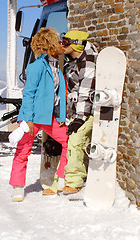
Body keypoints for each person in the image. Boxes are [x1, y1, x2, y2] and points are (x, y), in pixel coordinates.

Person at [8, 27, 68, 202]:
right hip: (32, 118)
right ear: (49, 44)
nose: (60, 44)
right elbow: (28, 94)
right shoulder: (35, 67)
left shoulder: (56, 65)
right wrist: (28, 120)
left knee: (68, 141)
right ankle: (18, 188)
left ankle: (61, 177)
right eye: (57, 41)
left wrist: (61, 118)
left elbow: (59, 96)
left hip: (50, 117)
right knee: (22, 151)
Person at [61, 30, 98, 195]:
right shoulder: (73, 60)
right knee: (71, 141)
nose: (63, 45)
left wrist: (80, 118)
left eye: (66, 42)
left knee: (75, 141)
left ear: (76, 43)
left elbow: (85, 91)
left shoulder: (88, 61)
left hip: (87, 112)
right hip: (75, 112)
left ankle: (74, 182)